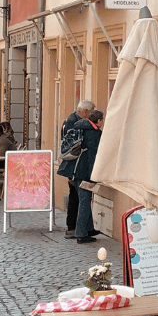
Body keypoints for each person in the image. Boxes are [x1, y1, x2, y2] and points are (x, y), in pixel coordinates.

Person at [60, 99, 95, 239]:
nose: (92, 114)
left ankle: (86, 227)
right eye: (91, 111)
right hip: (75, 167)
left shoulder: (72, 120)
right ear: (85, 111)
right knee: (76, 197)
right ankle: (72, 227)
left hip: (74, 167)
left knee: (80, 197)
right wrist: (72, 174)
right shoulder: (74, 123)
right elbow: (73, 148)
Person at [70, 109, 104, 243]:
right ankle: (81, 234)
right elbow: (93, 157)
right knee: (84, 202)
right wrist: (93, 178)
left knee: (84, 200)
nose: (103, 121)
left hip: (76, 170)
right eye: (102, 119)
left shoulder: (80, 127)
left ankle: (89, 228)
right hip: (85, 172)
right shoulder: (95, 134)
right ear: (98, 121)